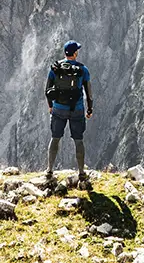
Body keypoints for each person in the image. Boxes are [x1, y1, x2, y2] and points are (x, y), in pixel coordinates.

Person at [44, 40, 93, 184]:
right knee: (78, 140)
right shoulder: (83, 69)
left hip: (58, 109)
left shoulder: (55, 68)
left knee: (55, 138)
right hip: (77, 110)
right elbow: (89, 93)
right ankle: (82, 173)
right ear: (75, 53)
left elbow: (47, 90)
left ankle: (49, 170)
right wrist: (89, 109)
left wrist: (50, 106)